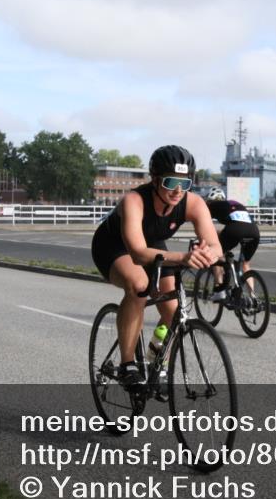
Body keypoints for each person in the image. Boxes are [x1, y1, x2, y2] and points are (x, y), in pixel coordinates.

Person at [91, 145, 221, 388]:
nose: (178, 190)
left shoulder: (193, 203)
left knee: (173, 311)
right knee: (139, 286)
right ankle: (127, 365)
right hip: (114, 245)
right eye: (171, 182)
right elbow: (138, 253)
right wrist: (183, 257)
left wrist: (207, 254)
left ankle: (157, 360)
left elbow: (215, 246)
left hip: (153, 244)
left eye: (185, 183)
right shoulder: (134, 201)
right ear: (155, 179)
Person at [205, 192, 260, 301]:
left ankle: (220, 291)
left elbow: (206, 226)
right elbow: (237, 222)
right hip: (254, 231)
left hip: (235, 230)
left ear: (209, 201)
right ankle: (252, 297)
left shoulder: (211, 206)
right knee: (245, 264)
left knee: (216, 255)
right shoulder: (234, 204)